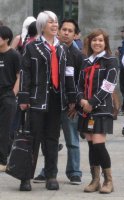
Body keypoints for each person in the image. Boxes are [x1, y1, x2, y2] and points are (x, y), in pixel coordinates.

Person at [18, 11, 76, 191]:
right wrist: (23, 97)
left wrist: (72, 97)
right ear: (42, 25)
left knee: (52, 139)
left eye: (56, 22)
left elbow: (68, 74)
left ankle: (51, 175)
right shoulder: (31, 46)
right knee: (32, 139)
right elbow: (24, 73)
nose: (55, 25)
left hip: (56, 99)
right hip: (36, 99)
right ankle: (25, 177)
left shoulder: (62, 48)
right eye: (51, 22)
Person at [33, 19, 84, 185]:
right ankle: (47, 171)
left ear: (76, 35)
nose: (66, 33)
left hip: (69, 105)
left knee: (72, 141)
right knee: (48, 140)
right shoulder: (48, 49)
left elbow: (79, 82)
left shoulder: (78, 55)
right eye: (64, 29)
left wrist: (75, 103)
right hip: (51, 102)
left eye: (70, 31)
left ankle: (74, 172)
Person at [77, 28, 118, 193]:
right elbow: (78, 83)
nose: (97, 43)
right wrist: (81, 99)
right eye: (94, 40)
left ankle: (109, 181)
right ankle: (95, 180)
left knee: (99, 145)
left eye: (100, 40)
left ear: (105, 43)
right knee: (91, 145)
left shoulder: (111, 61)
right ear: (89, 42)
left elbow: (109, 86)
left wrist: (92, 102)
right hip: (86, 109)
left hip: (101, 109)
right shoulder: (86, 61)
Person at [0, 25, 20, 172]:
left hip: (8, 95)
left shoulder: (14, 55)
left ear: (6, 39)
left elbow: (20, 76)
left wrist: (13, 93)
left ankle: (2, 159)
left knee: (5, 129)